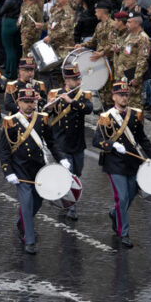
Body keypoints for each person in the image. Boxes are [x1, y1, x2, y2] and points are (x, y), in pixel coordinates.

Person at [92, 78, 151, 248]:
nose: (124, 98)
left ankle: (115, 213)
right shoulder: (106, 117)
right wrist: (112, 144)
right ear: (113, 97)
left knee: (131, 195)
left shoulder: (135, 114)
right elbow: (96, 140)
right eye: (121, 95)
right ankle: (123, 233)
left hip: (132, 163)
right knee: (122, 198)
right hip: (115, 164)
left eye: (126, 94)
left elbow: (142, 139)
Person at [0, 86, 63, 254]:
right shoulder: (11, 121)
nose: (29, 105)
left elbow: (51, 142)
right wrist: (8, 171)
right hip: (20, 170)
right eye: (26, 102)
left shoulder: (43, 119)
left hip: (39, 169)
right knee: (26, 204)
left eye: (32, 102)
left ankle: (22, 223)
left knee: (37, 202)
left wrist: (61, 158)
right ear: (18, 102)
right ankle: (30, 240)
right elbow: (4, 150)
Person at [46, 64, 93, 219]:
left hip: (77, 142)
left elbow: (88, 108)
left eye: (78, 78)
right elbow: (45, 114)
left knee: (77, 173)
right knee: (69, 174)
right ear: (66, 80)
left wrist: (71, 101)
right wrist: (50, 107)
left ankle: (64, 198)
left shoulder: (83, 95)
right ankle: (71, 206)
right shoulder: (55, 93)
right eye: (74, 79)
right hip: (61, 141)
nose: (78, 81)